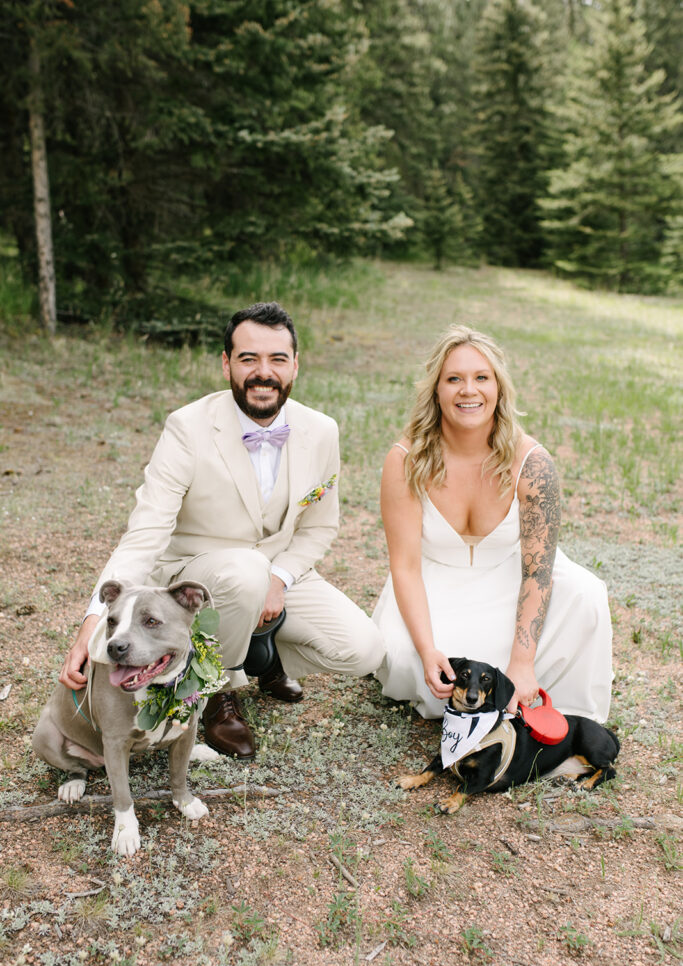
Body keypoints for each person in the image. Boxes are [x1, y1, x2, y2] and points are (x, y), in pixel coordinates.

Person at [60, 301, 385, 758]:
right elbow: (146, 531)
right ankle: (214, 693)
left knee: (363, 650)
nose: (262, 372)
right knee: (245, 572)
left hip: (276, 574)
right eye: (248, 358)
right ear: (227, 363)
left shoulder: (323, 431)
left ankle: (261, 657)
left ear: (295, 364)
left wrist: (281, 578)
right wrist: (93, 620)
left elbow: (319, 525)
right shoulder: (188, 427)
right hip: (198, 573)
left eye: (277, 359)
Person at [372, 324, 612, 721]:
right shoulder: (405, 459)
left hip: (510, 580)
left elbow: (538, 573)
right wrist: (429, 648)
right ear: (436, 390)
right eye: (454, 379)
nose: (469, 390)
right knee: (404, 660)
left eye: (481, 378)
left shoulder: (533, 462)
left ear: (498, 387)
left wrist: (521, 660)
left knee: (587, 595)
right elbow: (405, 566)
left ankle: (541, 697)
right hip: (434, 586)